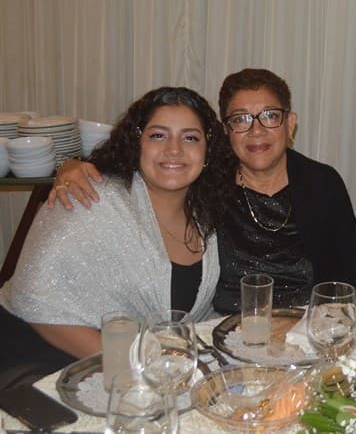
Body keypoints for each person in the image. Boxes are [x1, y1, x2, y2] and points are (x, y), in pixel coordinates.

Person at [49, 69, 356, 313]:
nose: (256, 130)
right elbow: (140, 168)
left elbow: (352, 276)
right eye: (241, 119)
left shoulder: (322, 183)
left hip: (306, 331)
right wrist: (70, 166)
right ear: (226, 131)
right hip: (221, 333)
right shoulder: (205, 179)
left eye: (270, 116)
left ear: (290, 124)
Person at [0, 87, 232, 373]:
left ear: (207, 151)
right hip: (40, 362)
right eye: (158, 135)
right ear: (137, 144)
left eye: (190, 137)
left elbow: (192, 316)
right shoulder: (90, 196)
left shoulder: (205, 216)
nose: (174, 149)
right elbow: (32, 299)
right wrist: (132, 365)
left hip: (145, 363)